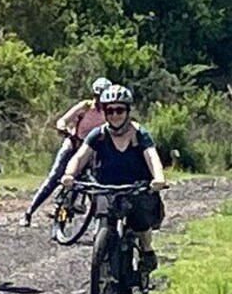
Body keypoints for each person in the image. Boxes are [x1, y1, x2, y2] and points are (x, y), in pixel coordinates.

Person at [60, 84, 166, 270]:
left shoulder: (139, 134)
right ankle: (103, 264)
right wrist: (69, 174)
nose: (115, 115)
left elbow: (152, 156)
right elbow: (79, 157)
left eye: (119, 110)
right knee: (103, 218)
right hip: (105, 187)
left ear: (127, 111)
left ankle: (147, 251)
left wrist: (158, 178)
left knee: (140, 221)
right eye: (110, 110)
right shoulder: (98, 134)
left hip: (135, 187)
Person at [22, 77, 111, 226]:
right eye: (97, 96)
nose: (100, 101)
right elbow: (63, 120)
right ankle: (29, 213)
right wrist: (62, 127)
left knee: (95, 182)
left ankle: (98, 221)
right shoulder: (85, 107)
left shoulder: (109, 113)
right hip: (74, 144)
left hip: (91, 150)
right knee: (54, 178)